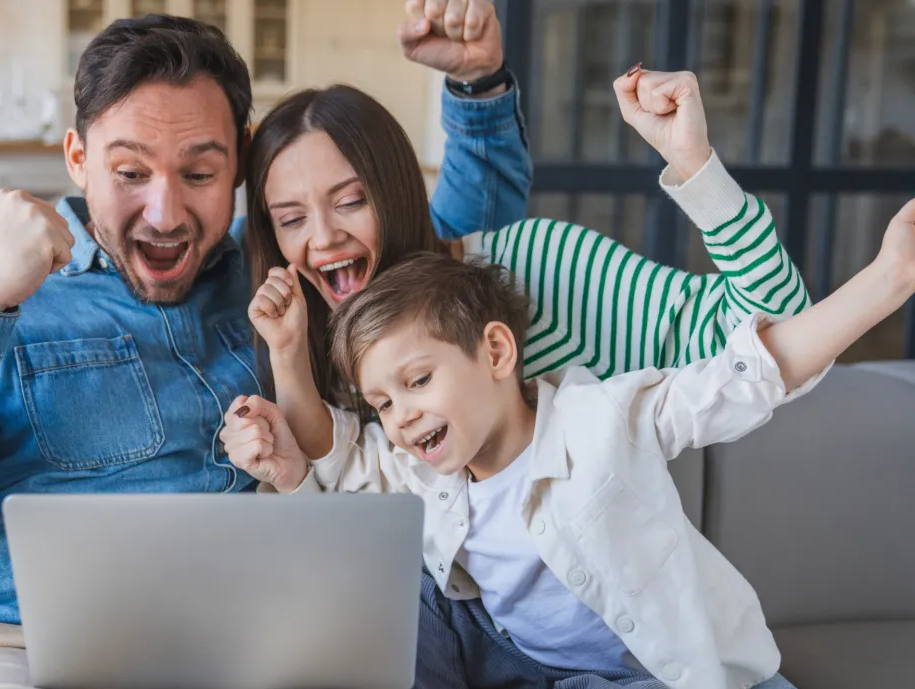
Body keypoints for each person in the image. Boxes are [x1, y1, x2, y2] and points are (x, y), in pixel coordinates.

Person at [0, 5, 531, 689]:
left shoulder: (279, 266)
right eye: (130, 172)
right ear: (78, 158)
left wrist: (475, 85)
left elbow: (433, 233)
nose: (164, 212)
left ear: (240, 163)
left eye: (198, 172)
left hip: (238, 662)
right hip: (15, 652)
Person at [221, 197, 915, 689]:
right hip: (504, 660)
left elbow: (751, 374)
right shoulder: (418, 460)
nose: (400, 416)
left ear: (495, 352)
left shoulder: (602, 419)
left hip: (629, 681)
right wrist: (287, 457)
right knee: (396, 573)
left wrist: (886, 278)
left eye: (417, 382)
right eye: (382, 403)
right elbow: (337, 469)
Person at [243, 67, 809, 473]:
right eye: (291, 218)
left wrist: (692, 162)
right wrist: (289, 357)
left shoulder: (536, 265)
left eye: (350, 201)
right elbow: (337, 484)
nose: (322, 238)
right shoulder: (315, 335)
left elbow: (774, 331)